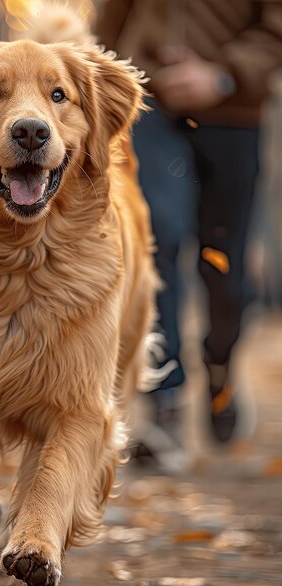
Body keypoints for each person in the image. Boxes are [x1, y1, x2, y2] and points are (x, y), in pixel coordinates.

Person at [96, 0, 282, 453]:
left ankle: (220, 367)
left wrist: (224, 75)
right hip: (150, 106)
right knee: (155, 235)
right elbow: (109, 22)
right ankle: (165, 406)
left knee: (226, 274)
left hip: (235, 112)